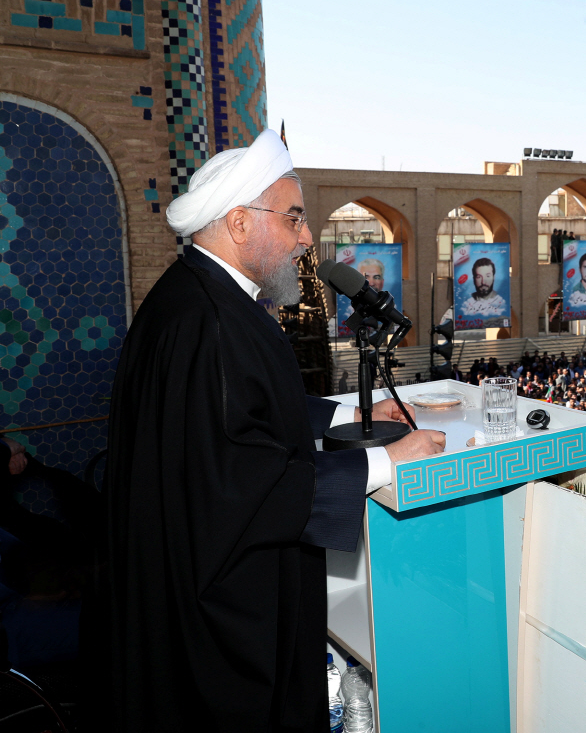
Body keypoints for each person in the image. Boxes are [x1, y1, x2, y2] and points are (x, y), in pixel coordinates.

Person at [100, 130, 447, 729]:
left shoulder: (198, 299)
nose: (307, 238)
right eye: (293, 219)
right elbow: (245, 484)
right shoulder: (211, 323)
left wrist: (349, 418)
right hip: (217, 627)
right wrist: (390, 462)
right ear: (239, 223)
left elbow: (235, 417)